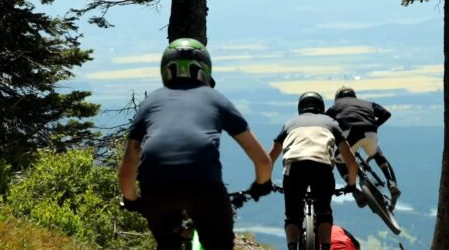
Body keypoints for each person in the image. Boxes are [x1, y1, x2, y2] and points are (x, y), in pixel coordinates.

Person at [118, 37, 273, 250]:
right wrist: (260, 186)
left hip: (156, 186)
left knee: (167, 244)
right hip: (204, 184)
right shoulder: (216, 99)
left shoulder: (150, 103)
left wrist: (132, 200)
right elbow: (263, 161)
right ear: (205, 69)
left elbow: (128, 167)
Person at [269, 92, 359, 250]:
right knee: (324, 212)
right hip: (322, 167)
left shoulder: (290, 123)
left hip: (294, 167)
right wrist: (351, 184)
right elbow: (350, 161)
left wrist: (265, 181)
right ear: (321, 107)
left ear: (300, 108)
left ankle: (292, 247)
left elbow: (271, 157)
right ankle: (325, 247)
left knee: (292, 216)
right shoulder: (330, 122)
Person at [326, 86, 401, 202]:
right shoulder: (368, 103)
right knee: (376, 153)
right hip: (371, 132)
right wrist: (374, 125)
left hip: (351, 134)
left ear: (338, 97)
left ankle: (355, 191)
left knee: (339, 160)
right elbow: (386, 114)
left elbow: (325, 123)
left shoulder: (336, 106)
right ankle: (391, 182)